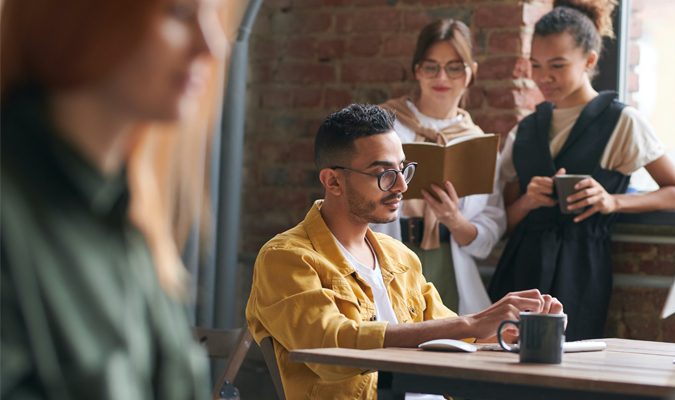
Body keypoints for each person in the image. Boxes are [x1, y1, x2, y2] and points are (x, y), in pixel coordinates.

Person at [245, 104, 562, 400]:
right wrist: (471, 323)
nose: (401, 186)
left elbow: (463, 344)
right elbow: (329, 347)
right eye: (384, 174)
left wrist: (518, 329)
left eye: (403, 169)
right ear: (333, 181)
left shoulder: (400, 257)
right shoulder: (287, 258)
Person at [1, 0, 225, 398]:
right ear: (81, 15)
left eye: (213, 17)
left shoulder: (133, 224)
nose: (212, 45)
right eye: (179, 14)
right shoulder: (13, 215)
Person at [487, 2, 675, 342]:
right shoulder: (524, 129)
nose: (544, 78)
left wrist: (613, 202)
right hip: (520, 269)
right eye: (536, 65)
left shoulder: (622, 121)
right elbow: (502, 222)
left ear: (590, 61)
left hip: (580, 269)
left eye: (557, 65)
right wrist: (528, 201)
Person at [375, 19, 505, 315]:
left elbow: (491, 228)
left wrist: (455, 220)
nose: (442, 76)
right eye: (431, 66)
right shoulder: (383, 124)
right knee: (389, 351)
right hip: (389, 254)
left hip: (448, 262)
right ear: (417, 70)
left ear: (471, 72)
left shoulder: (478, 143)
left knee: (446, 350)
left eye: (454, 66)